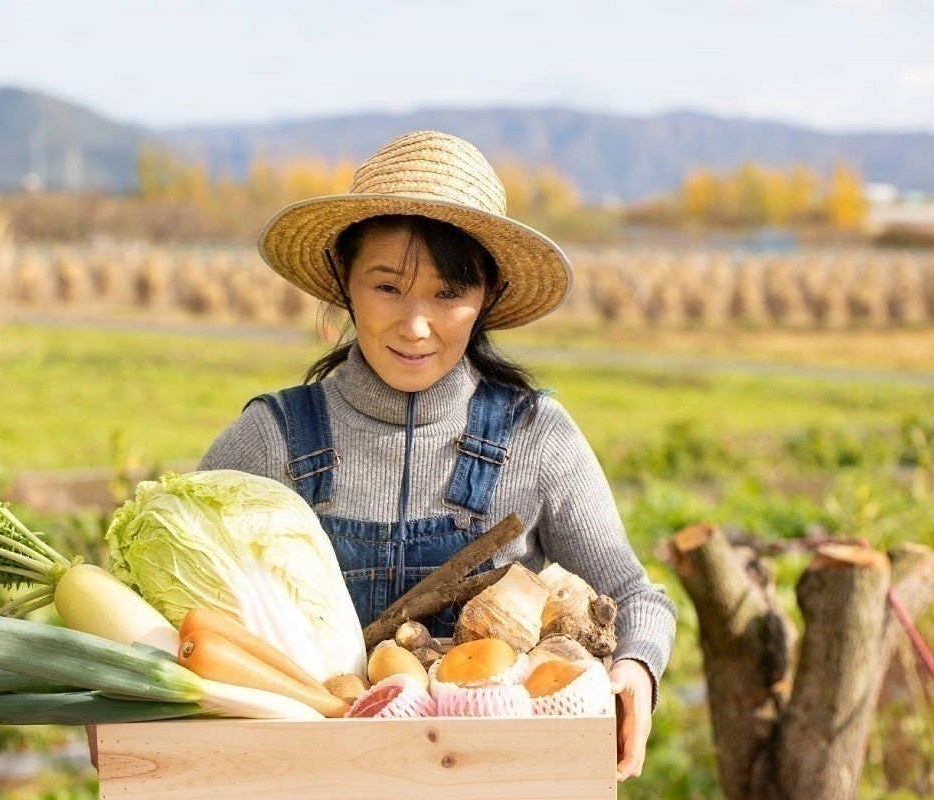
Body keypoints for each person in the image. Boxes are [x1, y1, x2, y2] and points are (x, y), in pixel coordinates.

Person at [199, 130, 676, 782]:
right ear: (344, 281)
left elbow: (635, 597)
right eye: (388, 287)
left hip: (498, 785)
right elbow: (181, 621)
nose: (416, 324)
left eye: (449, 293)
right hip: (312, 787)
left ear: (487, 297)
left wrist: (636, 670)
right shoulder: (270, 440)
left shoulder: (536, 438)